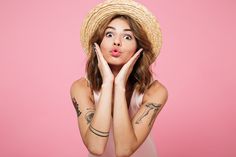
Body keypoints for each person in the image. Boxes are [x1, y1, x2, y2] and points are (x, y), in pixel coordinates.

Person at [70, 0, 168, 157]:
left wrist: (120, 84)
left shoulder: (156, 91)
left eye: (128, 37)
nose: (117, 41)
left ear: (139, 48)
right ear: (98, 43)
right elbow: (95, 147)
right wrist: (108, 82)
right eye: (109, 34)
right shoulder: (81, 88)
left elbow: (124, 150)